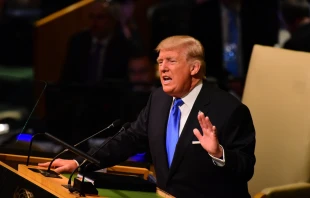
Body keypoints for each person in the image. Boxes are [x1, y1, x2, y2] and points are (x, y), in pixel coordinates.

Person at [39, 35, 256, 198]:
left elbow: (246, 167)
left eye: (171, 61)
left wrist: (219, 153)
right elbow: (129, 139)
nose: (162, 69)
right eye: (160, 62)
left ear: (194, 67)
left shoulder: (229, 109)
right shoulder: (159, 99)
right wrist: (80, 163)